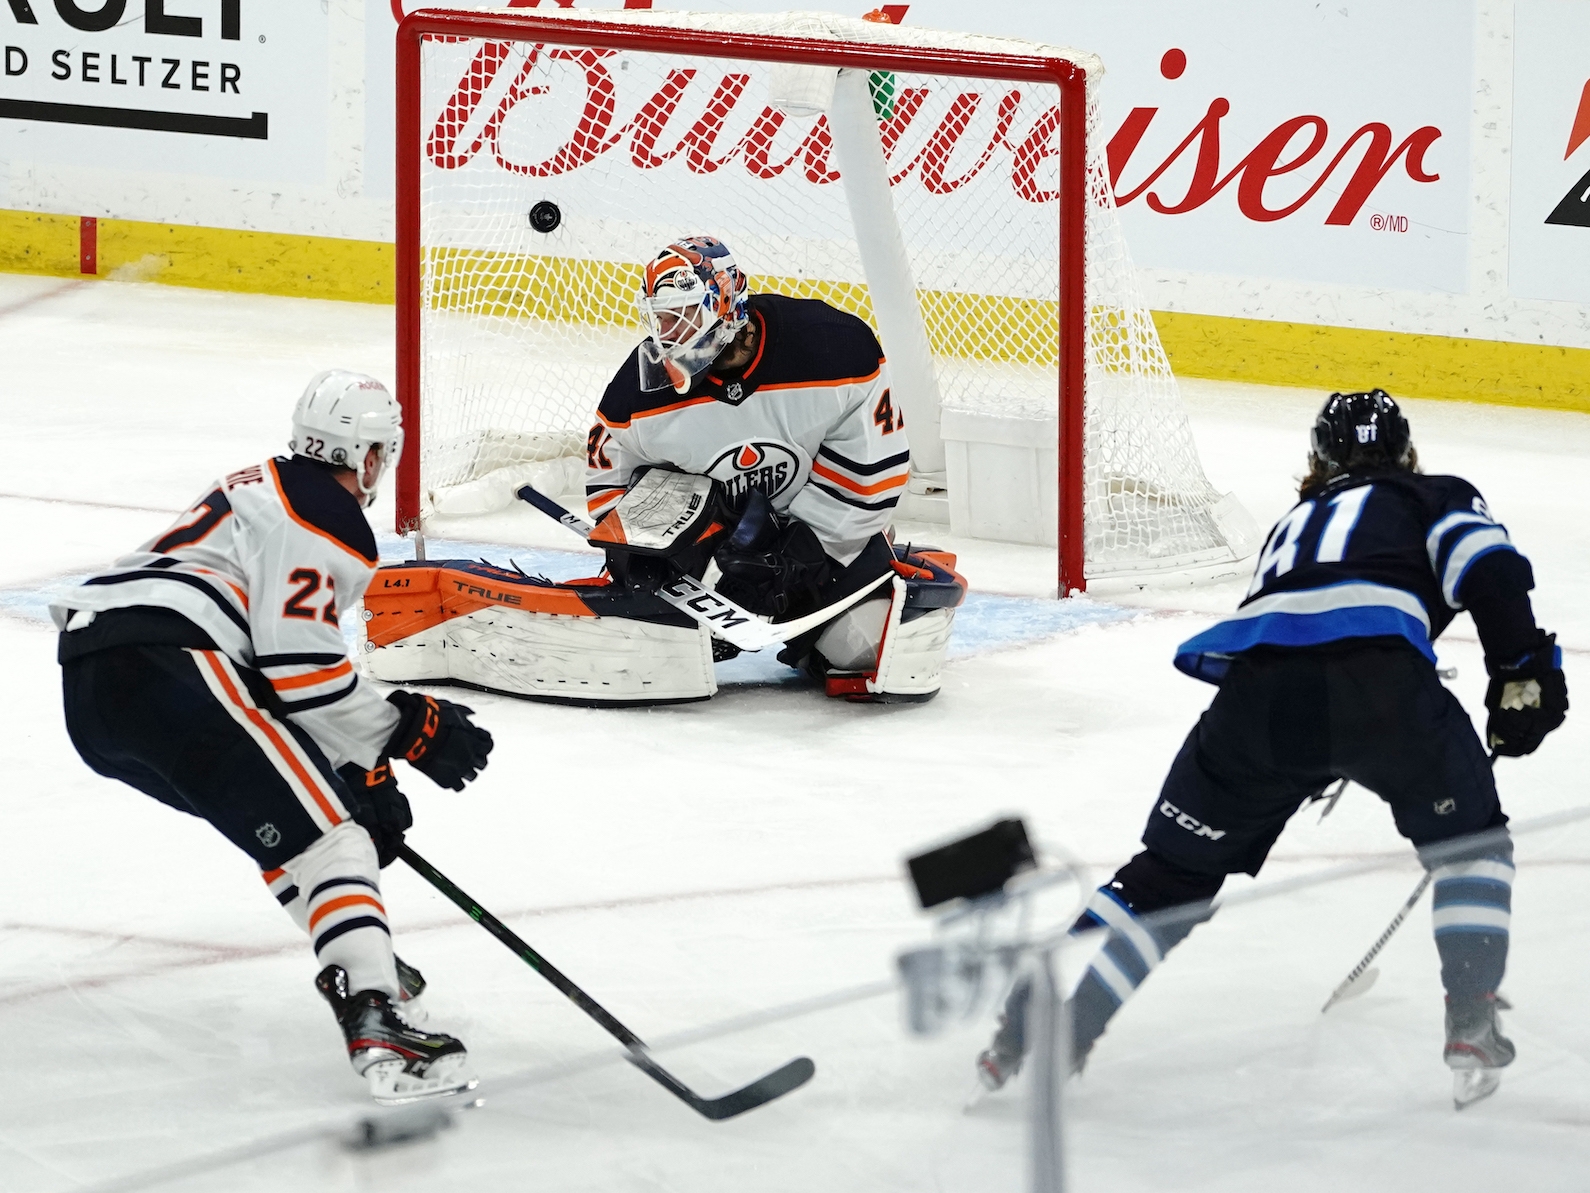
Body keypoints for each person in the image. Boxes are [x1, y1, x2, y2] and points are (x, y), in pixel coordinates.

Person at [976, 389, 1567, 1108]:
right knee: (1471, 845)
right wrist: (1520, 672)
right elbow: (1493, 571)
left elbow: (1307, 631)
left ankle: (1042, 1029)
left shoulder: (1296, 520)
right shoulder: (1433, 495)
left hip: (1255, 708)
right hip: (1383, 695)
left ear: (1315, 462)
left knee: (1170, 877)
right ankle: (1471, 1022)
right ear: (1407, 453)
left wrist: (1316, 747)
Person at [52, 371, 495, 1105]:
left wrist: (363, 773)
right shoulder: (328, 513)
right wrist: (410, 730)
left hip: (98, 687)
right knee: (332, 841)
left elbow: (270, 679)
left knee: (292, 830)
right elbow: (303, 672)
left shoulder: (260, 486)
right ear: (368, 456)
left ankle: (362, 953)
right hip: (169, 663)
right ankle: (375, 1010)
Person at [584, 234, 941, 697]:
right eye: (662, 317)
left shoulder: (834, 347)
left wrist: (803, 556)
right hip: (711, 553)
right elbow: (611, 477)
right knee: (648, 652)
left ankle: (845, 596)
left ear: (726, 301)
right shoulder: (640, 390)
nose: (671, 332)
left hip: (819, 553)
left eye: (685, 312)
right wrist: (643, 553)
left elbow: (872, 471)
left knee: (863, 652)